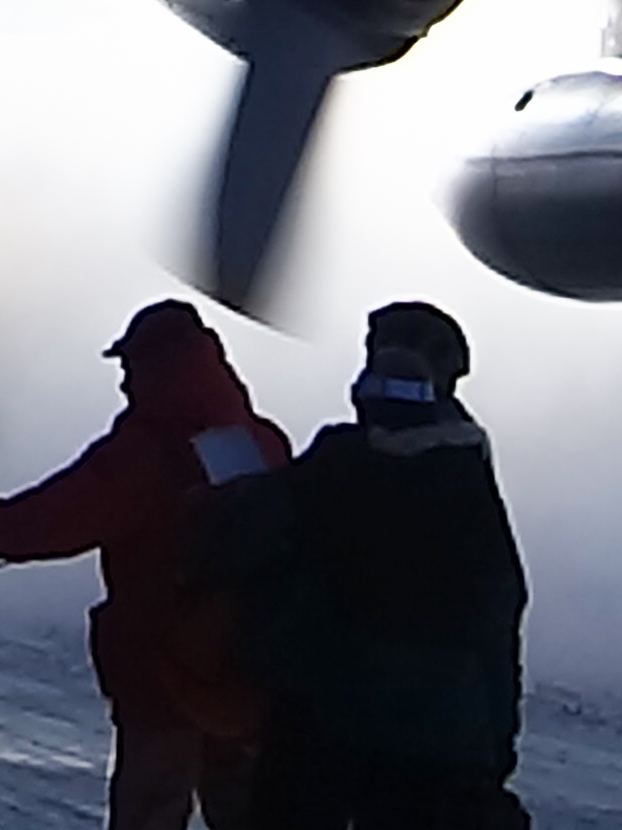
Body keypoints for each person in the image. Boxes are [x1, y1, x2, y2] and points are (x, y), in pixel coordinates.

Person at [0, 299, 292, 830]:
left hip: (164, 684)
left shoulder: (144, 453)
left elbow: (48, 522)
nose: (124, 384)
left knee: (149, 813)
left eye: (130, 367)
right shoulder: (262, 442)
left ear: (156, 365)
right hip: (242, 682)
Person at [204, 300, 526, 830]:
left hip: (330, 719)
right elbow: (498, 618)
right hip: (443, 736)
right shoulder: (465, 474)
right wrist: (494, 747)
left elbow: (240, 546)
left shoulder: (338, 461)